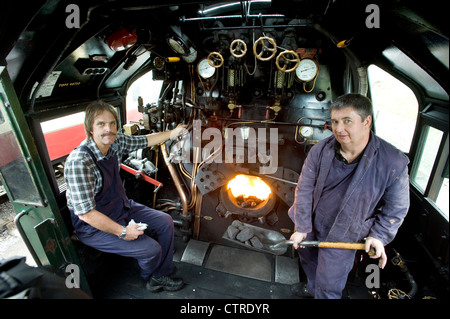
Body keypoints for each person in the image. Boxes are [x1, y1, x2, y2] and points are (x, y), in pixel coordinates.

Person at [288, 93, 410, 299]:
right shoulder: (320, 150)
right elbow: (304, 188)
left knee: (329, 284)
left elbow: (396, 208)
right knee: (309, 263)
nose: (338, 128)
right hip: (311, 225)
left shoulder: (393, 162)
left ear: (366, 121)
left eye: (347, 121)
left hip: (344, 235)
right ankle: (312, 289)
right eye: (335, 121)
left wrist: (379, 236)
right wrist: (302, 227)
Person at [64, 100, 187, 292]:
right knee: (151, 249)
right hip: (94, 226)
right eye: (101, 124)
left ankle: (162, 270)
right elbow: (86, 214)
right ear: (90, 129)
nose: (109, 129)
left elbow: (146, 140)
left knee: (165, 222)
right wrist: (122, 232)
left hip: (121, 207)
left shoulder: (116, 142)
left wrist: (173, 133)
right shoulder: (80, 162)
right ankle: (153, 278)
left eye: (112, 123)